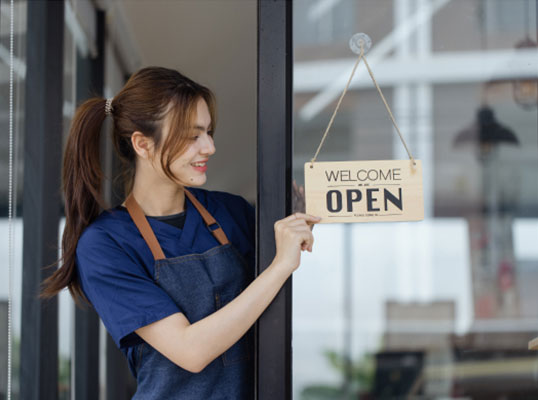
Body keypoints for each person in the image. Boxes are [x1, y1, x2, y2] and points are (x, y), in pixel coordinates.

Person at [41, 66, 319, 399]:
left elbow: (268, 307)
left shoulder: (232, 212)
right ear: (143, 144)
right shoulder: (106, 244)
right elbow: (191, 351)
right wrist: (280, 267)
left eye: (208, 132)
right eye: (192, 135)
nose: (210, 147)